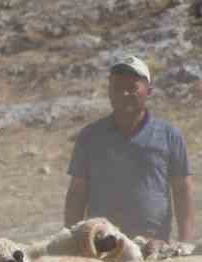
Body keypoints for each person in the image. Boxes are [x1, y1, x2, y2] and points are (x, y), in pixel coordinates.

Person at [63, 55, 193, 243]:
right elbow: (77, 193)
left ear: (148, 91)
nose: (124, 94)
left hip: (154, 244)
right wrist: (71, 242)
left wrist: (185, 243)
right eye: (117, 88)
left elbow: (182, 191)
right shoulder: (90, 137)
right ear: (109, 91)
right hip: (103, 245)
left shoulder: (169, 135)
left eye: (132, 88)